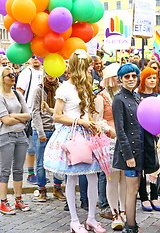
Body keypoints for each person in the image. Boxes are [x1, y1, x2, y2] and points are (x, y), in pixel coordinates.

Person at [44, 49, 108, 233]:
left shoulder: (86, 86)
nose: (90, 69)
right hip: (71, 135)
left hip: (88, 134)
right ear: (78, 67)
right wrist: (81, 122)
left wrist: (95, 124)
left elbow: (89, 112)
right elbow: (57, 116)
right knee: (71, 177)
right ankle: (74, 220)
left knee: (93, 176)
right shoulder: (64, 88)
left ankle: (91, 219)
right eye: (87, 66)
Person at [93, 63, 126, 230]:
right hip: (110, 141)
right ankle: (115, 213)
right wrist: (109, 129)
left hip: (126, 140)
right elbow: (97, 119)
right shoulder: (100, 97)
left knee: (125, 178)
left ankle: (124, 210)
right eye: (116, 77)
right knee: (112, 178)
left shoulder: (125, 95)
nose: (119, 80)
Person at [112, 63, 142, 233]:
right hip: (129, 151)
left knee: (136, 187)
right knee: (131, 190)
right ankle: (131, 226)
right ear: (121, 79)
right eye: (127, 76)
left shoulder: (136, 97)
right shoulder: (118, 99)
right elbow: (120, 130)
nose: (131, 79)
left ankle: (133, 223)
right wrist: (128, 155)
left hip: (140, 148)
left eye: (133, 76)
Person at [0, 66, 30, 214]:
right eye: (9, 75)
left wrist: (13, 116)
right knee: (4, 170)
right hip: (6, 136)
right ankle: (3, 201)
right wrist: (18, 118)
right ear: (2, 78)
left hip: (21, 135)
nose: (13, 77)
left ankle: (18, 199)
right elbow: (6, 120)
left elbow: (28, 115)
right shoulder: (0, 96)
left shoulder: (18, 94)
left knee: (18, 170)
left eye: (13, 74)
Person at [32, 72, 66, 201]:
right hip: (43, 129)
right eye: (48, 72)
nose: (50, 75)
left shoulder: (62, 88)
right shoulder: (38, 89)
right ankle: (42, 189)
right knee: (41, 162)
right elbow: (35, 112)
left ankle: (57, 188)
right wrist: (40, 132)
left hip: (58, 128)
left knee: (59, 160)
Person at [16, 55, 43, 184]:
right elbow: (19, 92)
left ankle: (40, 173)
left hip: (43, 113)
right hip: (30, 113)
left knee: (41, 145)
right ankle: (31, 173)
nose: (36, 59)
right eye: (33, 57)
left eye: (38, 56)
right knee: (32, 146)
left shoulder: (45, 71)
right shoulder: (27, 73)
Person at [138, 67, 160, 211]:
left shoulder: (158, 96)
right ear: (143, 79)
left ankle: (154, 196)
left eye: (154, 77)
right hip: (140, 135)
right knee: (140, 167)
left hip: (155, 135)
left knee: (154, 165)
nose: (152, 80)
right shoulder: (136, 96)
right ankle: (144, 197)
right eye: (149, 77)